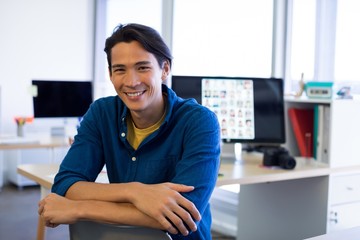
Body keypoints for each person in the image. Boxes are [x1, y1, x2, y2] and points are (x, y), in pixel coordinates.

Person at [38, 23, 220, 239]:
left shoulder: (199, 121)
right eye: (120, 70)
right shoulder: (102, 112)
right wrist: (135, 192)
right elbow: (66, 183)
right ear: (110, 73)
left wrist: (78, 209)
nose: (131, 82)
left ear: (165, 69)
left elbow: (182, 213)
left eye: (142, 67)